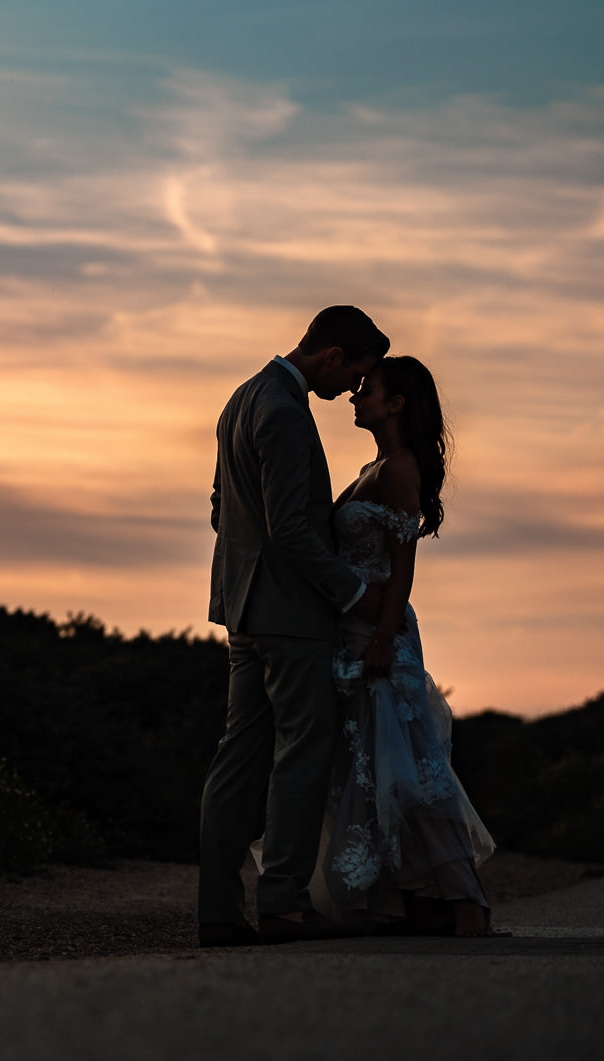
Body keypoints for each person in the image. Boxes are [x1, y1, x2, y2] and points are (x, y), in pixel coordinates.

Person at [199, 305, 390, 948]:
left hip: (243, 611)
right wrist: (355, 593)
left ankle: (220, 913)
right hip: (291, 615)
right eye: (352, 374)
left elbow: (223, 508)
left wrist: (244, 578)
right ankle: (281, 903)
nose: (348, 392)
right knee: (302, 754)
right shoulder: (283, 411)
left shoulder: (242, 398)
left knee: (237, 759)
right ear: (330, 355)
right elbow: (290, 529)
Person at [314, 354, 495, 936]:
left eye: (367, 390)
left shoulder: (400, 470)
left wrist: (384, 642)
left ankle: (465, 905)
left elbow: (402, 567)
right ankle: (395, 902)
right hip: (354, 630)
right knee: (368, 764)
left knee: (408, 765)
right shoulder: (375, 465)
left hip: (379, 633)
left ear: (397, 404)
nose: (354, 397)